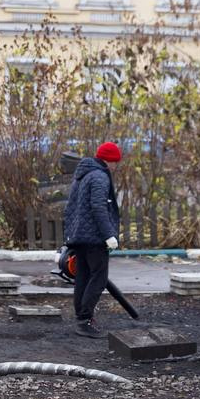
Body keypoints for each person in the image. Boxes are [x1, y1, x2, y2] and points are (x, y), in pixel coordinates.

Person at [63, 142, 122, 338]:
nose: (115, 166)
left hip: (80, 237)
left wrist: (71, 235)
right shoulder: (100, 176)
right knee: (99, 277)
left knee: (83, 276)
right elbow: (99, 207)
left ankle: (81, 318)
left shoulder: (83, 175)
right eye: (115, 162)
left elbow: (71, 208)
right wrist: (108, 235)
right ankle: (85, 320)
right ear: (109, 160)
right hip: (95, 238)